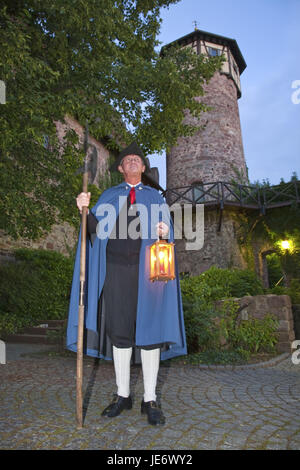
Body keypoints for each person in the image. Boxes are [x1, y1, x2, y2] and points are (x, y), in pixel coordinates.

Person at [66, 141, 187, 426]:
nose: (132, 162)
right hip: (116, 271)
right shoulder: (109, 195)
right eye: (127, 160)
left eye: (137, 159)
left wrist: (165, 230)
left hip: (149, 274)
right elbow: (92, 231)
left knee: (150, 332)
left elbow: (167, 233)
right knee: (120, 332)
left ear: (143, 168)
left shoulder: (155, 198)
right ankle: (122, 395)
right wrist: (83, 210)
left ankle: (150, 398)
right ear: (120, 168)